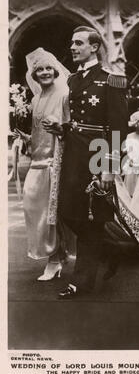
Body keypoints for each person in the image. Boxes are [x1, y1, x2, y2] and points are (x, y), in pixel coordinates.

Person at [43, 26, 128, 298]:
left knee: (91, 219)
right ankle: (110, 248)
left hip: (97, 154)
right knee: (67, 211)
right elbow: (79, 121)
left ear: (94, 47)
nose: (72, 47)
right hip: (75, 154)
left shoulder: (112, 80)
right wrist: (62, 128)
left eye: (78, 43)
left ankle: (80, 282)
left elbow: (117, 127)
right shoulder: (74, 80)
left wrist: (109, 167)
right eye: (71, 43)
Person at [19, 48, 70, 281]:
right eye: (39, 69)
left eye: (48, 68)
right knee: (33, 206)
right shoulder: (35, 98)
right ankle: (58, 254)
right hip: (37, 160)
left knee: (52, 213)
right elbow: (37, 129)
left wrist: (59, 128)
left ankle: (55, 260)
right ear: (34, 73)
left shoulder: (65, 95)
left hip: (56, 159)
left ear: (55, 70)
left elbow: (70, 126)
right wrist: (29, 139)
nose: (44, 72)